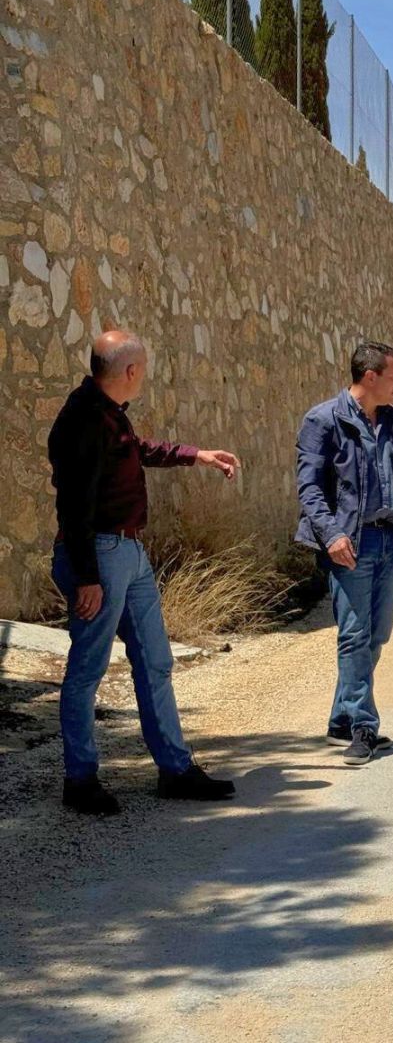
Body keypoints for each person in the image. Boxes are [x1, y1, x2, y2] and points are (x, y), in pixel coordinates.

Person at [48, 331, 240, 816]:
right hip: (100, 555)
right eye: (144, 367)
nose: (145, 375)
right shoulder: (83, 419)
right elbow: (74, 504)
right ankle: (80, 781)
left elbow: (139, 449)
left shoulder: (110, 413)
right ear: (130, 371)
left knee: (155, 661)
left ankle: (175, 770)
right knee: (87, 670)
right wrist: (87, 576)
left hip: (128, 554)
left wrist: (195, 455)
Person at [295, 339, 393, 767]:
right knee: (354, 635)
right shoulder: (323, 420)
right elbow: (309, 489)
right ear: (370, 377)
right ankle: (363, 727)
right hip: (350, 542)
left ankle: (341, 719)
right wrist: (332, 535)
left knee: (377, 635)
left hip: (391, 541)